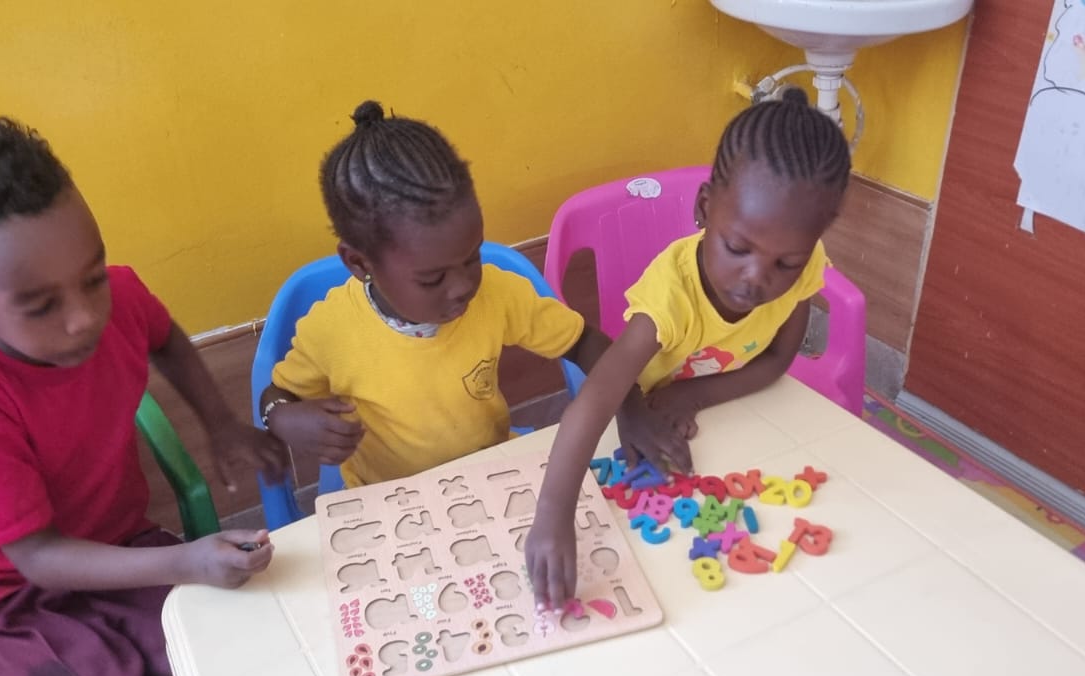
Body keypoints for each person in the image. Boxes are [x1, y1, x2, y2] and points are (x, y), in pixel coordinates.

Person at [0, 112, 284, 676]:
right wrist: (185, 559)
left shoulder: (119, 298)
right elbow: (38, 557)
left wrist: (222, 425)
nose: (83, 317)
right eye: (40, 305)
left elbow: (166, 337)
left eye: (91, 277)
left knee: (237, 666)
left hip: (119, 546)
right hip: (5, 599)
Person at [525, 88, 852, 608]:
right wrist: (553, 515)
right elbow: (594, 399)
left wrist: (694, 395)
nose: (756, 279)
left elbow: (776, 361)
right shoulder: (671, 296)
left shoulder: (804, 264)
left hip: (730, 421)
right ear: (705, 209)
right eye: (737, 248)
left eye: (785, 264)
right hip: (640, 428)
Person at [260, 100, 619, 488]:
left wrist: (630, 403)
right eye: (432, 279)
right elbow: (278, 394)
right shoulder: (330, 331)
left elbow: (583, 341)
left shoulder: (497, 294)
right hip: (389, 501)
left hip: (491, 474)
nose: (464, 285)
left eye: (472, 257)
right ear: (360, 264)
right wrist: (282, 417)